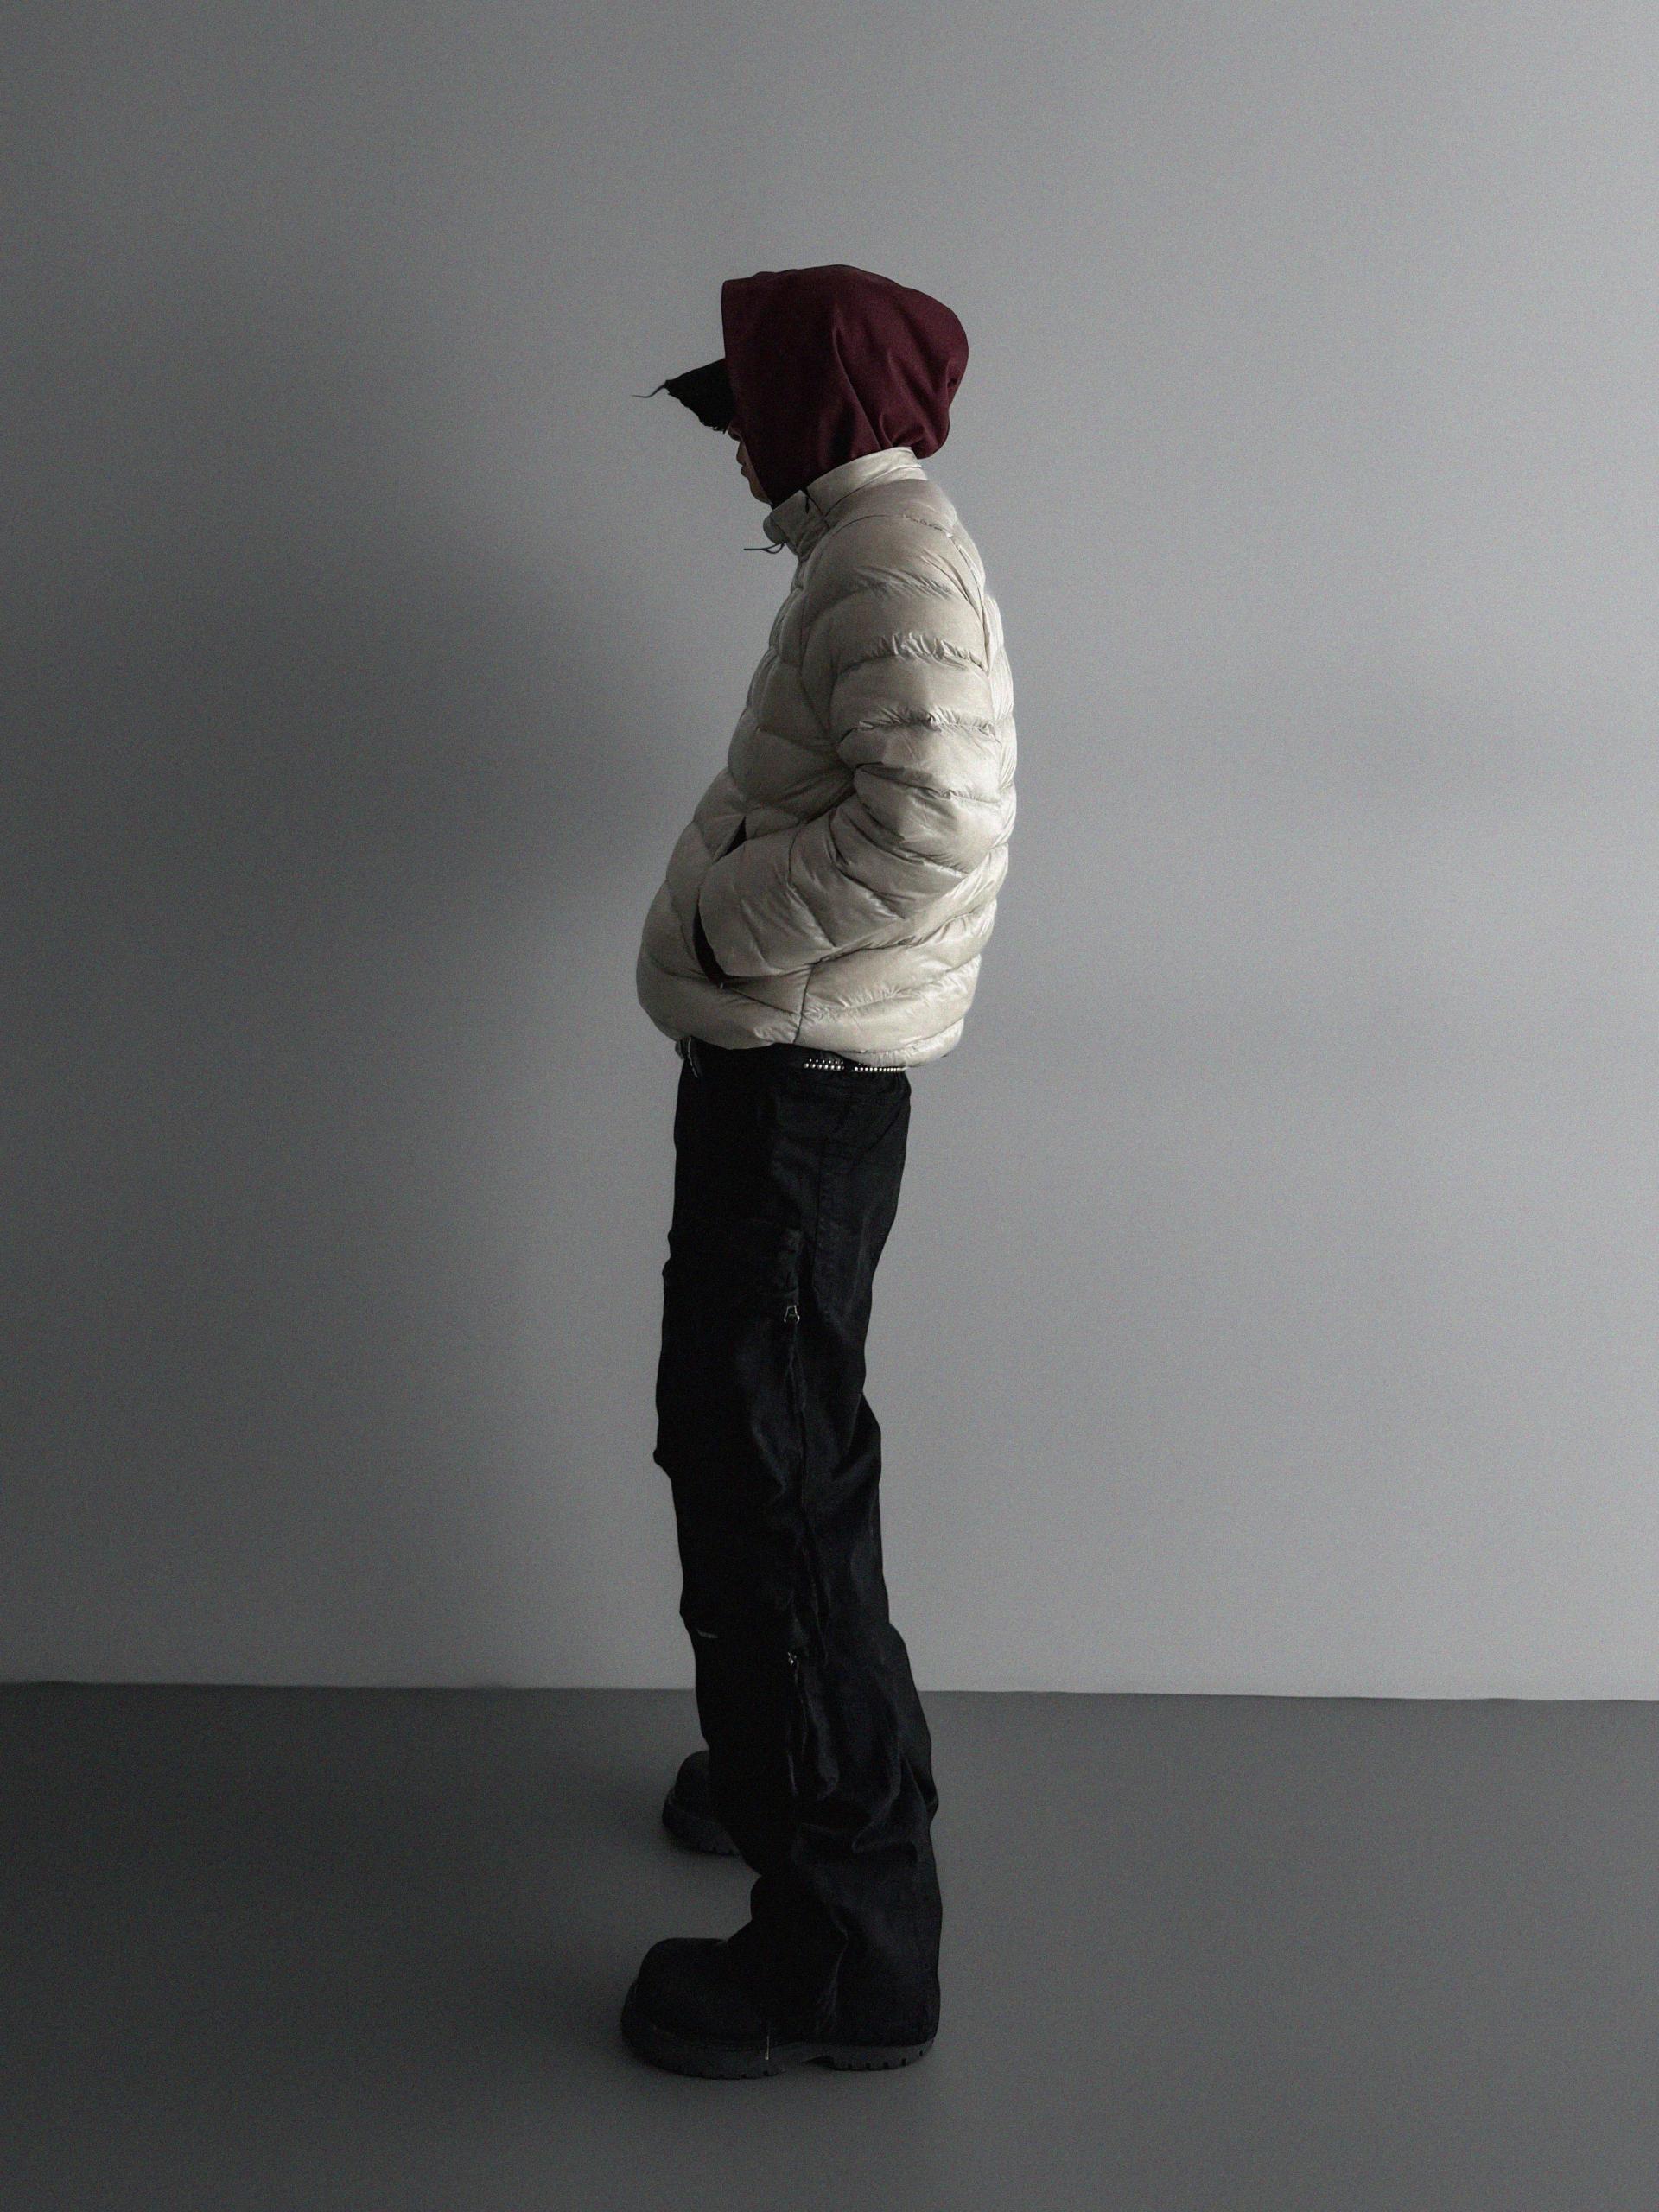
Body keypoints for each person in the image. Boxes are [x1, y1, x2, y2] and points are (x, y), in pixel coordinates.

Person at [623, 263, 1017, 2078]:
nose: (732, 447)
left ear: (812, 406)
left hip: (798, 1089)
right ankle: (786, 1763)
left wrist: (728, 919)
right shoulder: (864, 549)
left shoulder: (887, 561)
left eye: (748, 409)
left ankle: (847, 1955)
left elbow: (933, 824)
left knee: (768, 1477)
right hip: (793, 1085)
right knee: (758, 1445)